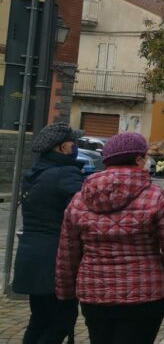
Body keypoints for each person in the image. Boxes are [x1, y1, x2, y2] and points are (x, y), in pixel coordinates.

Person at [55, 132, 164, 344]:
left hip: (95, 292)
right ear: (139, 159)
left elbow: (67, 252)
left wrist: (65, 293)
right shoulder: (156, 197)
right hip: (146, 294)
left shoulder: (80, 199)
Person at [13, 123, 84, 344]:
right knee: (61, 320)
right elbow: (81, 214)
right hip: (55, 259)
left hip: (31, 256)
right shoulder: (66, 173)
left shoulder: (34, 173)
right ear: (62, 148)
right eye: (74, 143)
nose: (76, 147)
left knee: (40, 318)